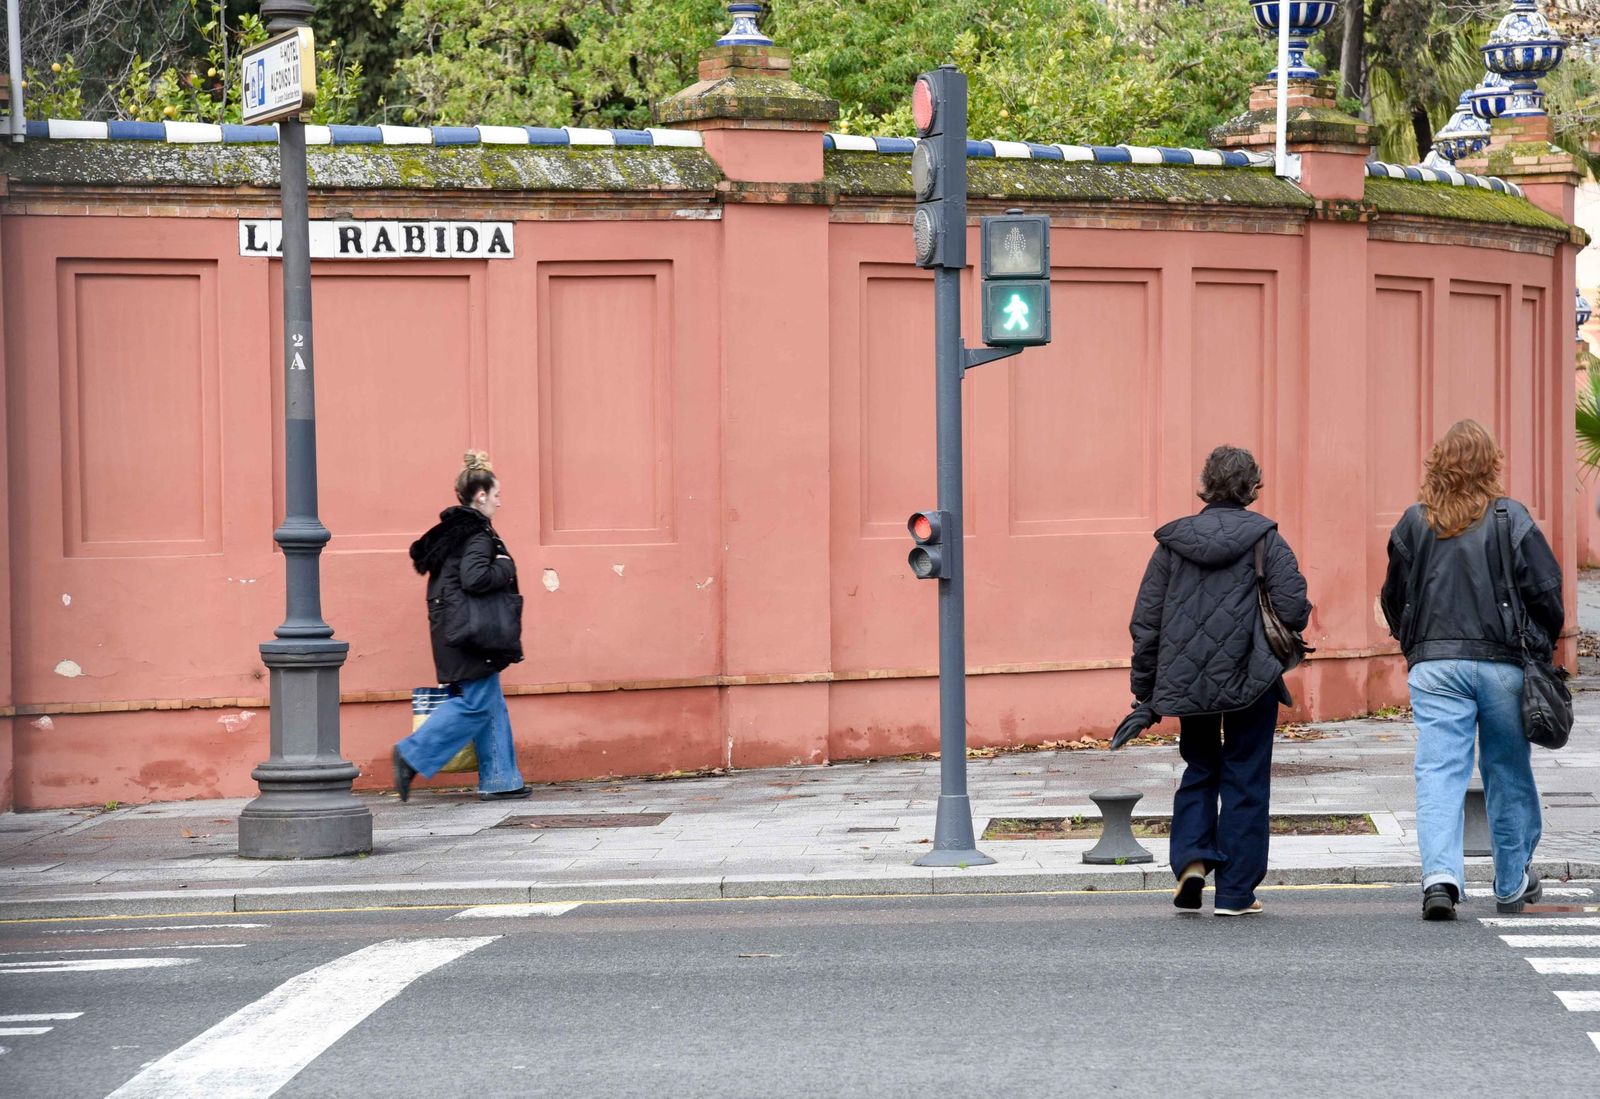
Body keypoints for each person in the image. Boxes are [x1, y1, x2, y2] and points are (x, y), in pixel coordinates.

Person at [1380, 420, 1562, 920]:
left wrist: (1412, 642)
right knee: (1507, 770)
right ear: (1490, 465)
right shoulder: (1510, 517)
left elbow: (1394, 595)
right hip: (1503, 663)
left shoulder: (1415, 522)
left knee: (1439, 772)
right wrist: (1540, 646)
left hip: (1435, 665)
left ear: (1438, 463)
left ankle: (1440, 879)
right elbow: (1546, 591)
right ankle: (1511, 881)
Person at [1130, 445, 1311, 916]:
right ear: (1252, 488)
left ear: (1205, 485)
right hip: (1252, 676)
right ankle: (1235, 893)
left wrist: (1145, 692)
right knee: (1246, 776)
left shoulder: (1172, 545)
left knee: (1200, 766)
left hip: (1189, 679)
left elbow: (1146, 623)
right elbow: (1293, 608)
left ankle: (1192, 861)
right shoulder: (1266, 540)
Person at [393, 451, 531, 803]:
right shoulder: (478, 535)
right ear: (481, 495)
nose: (500, 502)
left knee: (490, 702)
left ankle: (501, 779)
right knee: (477, 705)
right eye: (497, 495)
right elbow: (475, 578)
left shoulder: (454, 534)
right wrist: (506, 566)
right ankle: (413, 753)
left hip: (457, 631)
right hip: (472, 635)